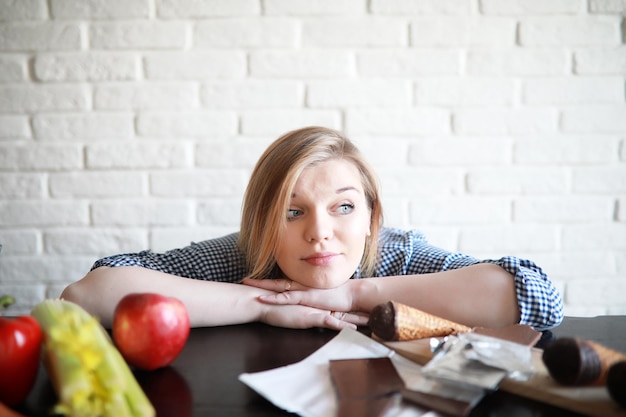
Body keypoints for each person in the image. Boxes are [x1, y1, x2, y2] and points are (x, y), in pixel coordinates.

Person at [61, 126, 563, 331]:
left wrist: (354, 295)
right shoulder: (245, 259)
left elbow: (538, 297)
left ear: (371, 219)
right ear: (263, 224)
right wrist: (264, 305)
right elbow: (88, 294)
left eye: (343, 208)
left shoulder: (398, 256)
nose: (319, 233)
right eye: (292, 212)